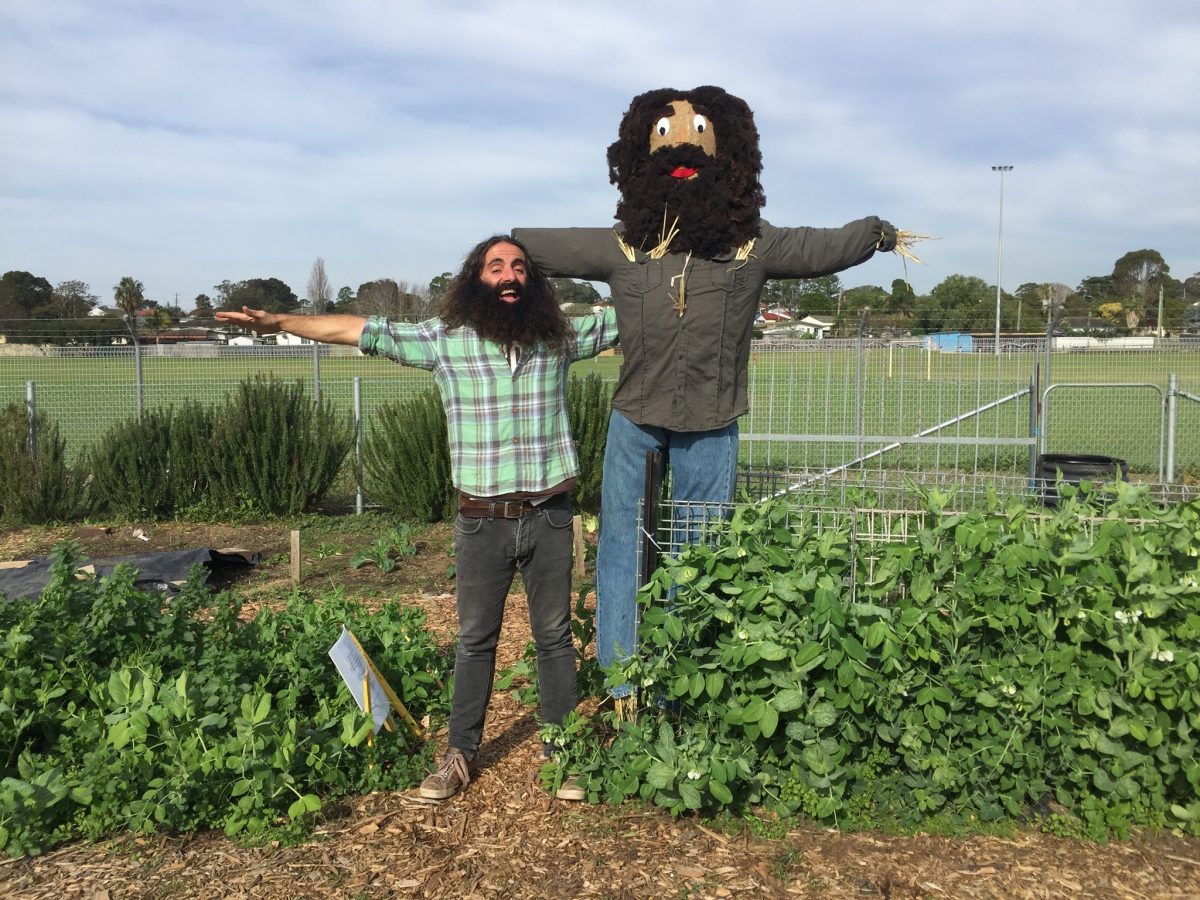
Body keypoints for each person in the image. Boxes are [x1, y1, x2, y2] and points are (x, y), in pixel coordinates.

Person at [514, 85, 905, 708]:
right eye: (666, 139)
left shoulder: (754, 246)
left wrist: (877, 233)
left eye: (700, 135)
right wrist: (498, 261)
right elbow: (533, 246)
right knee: (622, 543)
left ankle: (680, 689)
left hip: (713, 421)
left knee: (699, 548)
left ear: (734, 155)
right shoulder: (622, 247)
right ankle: (622, 685)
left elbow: (822, 246)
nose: (684, 150)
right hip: (634, 421)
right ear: (641, 157)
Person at [216, 235, 619, 801]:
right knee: (475, 640)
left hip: (551, 514)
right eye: (496, 265)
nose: (509, 275)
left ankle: (565, 753)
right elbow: (356, 329)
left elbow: (640, 310)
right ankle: (459, 757)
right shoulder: (444, 340)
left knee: (553, 639)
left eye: (520, 267)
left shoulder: (560, 338)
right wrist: (278, 320)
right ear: (475, 279)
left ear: (533, 281)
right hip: (481, 520)